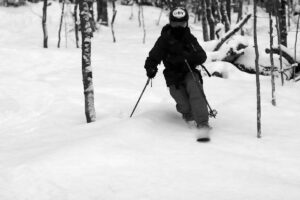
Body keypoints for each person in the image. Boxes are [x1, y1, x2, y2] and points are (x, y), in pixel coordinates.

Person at [144, 7, 211, 137]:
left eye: (182, 23)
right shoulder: (164, 39)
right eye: (175, 23)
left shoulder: (190, 38)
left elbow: (202, 56)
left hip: (189, 71)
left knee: (195, 89)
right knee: (184, 105)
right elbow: (153, 57)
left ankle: (202, 123)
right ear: (170, 22)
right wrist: (151, 68)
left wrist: (187, 56)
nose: (179, 26)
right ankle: (187, 113)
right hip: (173, 75)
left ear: (186, 23)